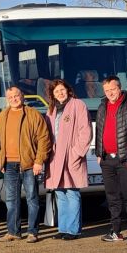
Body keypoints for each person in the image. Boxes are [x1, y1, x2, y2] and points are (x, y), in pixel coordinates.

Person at [0, 85, 51, 242]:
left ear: (22, 96)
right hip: (9, 165)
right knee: (11, 200)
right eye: (10, 97)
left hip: (29, 164)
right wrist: (1, 162)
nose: (14, 99)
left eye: (16, 96)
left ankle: (33, 232)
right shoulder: (2, 116)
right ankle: (13, 231)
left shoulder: (33, 114)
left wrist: (39, 161)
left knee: (32, 199)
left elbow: (44, 139)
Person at [94, 75, 127, 244]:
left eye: (113, 89)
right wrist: (99, 154)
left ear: (119, 87)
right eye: (106, 90)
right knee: (112, 197)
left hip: (124, 159)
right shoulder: (102, 106)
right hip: (106, 159)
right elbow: (99, 130)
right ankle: (115, 231)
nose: (110, 93)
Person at [45, 78, 92, 239]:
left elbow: (85, 131)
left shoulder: (78, 105)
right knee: (60, 193)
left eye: (62, 90)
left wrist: (76, 152)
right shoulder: (51, 110)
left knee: (72, 192)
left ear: (68, 90)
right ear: (53, 94)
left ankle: (73, 230)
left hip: (71, 157)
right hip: (55, 158)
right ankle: (63, 228)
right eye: (56, 91)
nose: (60, 93)